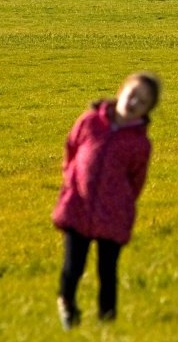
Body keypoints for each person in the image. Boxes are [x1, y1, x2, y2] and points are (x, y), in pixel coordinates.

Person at [52, 72, 160, 328]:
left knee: (107, 271)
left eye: (142, 102)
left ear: (147, 110)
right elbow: (71, 149)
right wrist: (71, 180)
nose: (133, 102)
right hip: (78, 206)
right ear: (121, 90)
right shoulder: (90, 122)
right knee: (73, 265)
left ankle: (107, 321)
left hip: (113, 215)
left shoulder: (139, 143)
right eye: (132, 94)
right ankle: (66, 304)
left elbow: (137, 180)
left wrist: (120, 203)